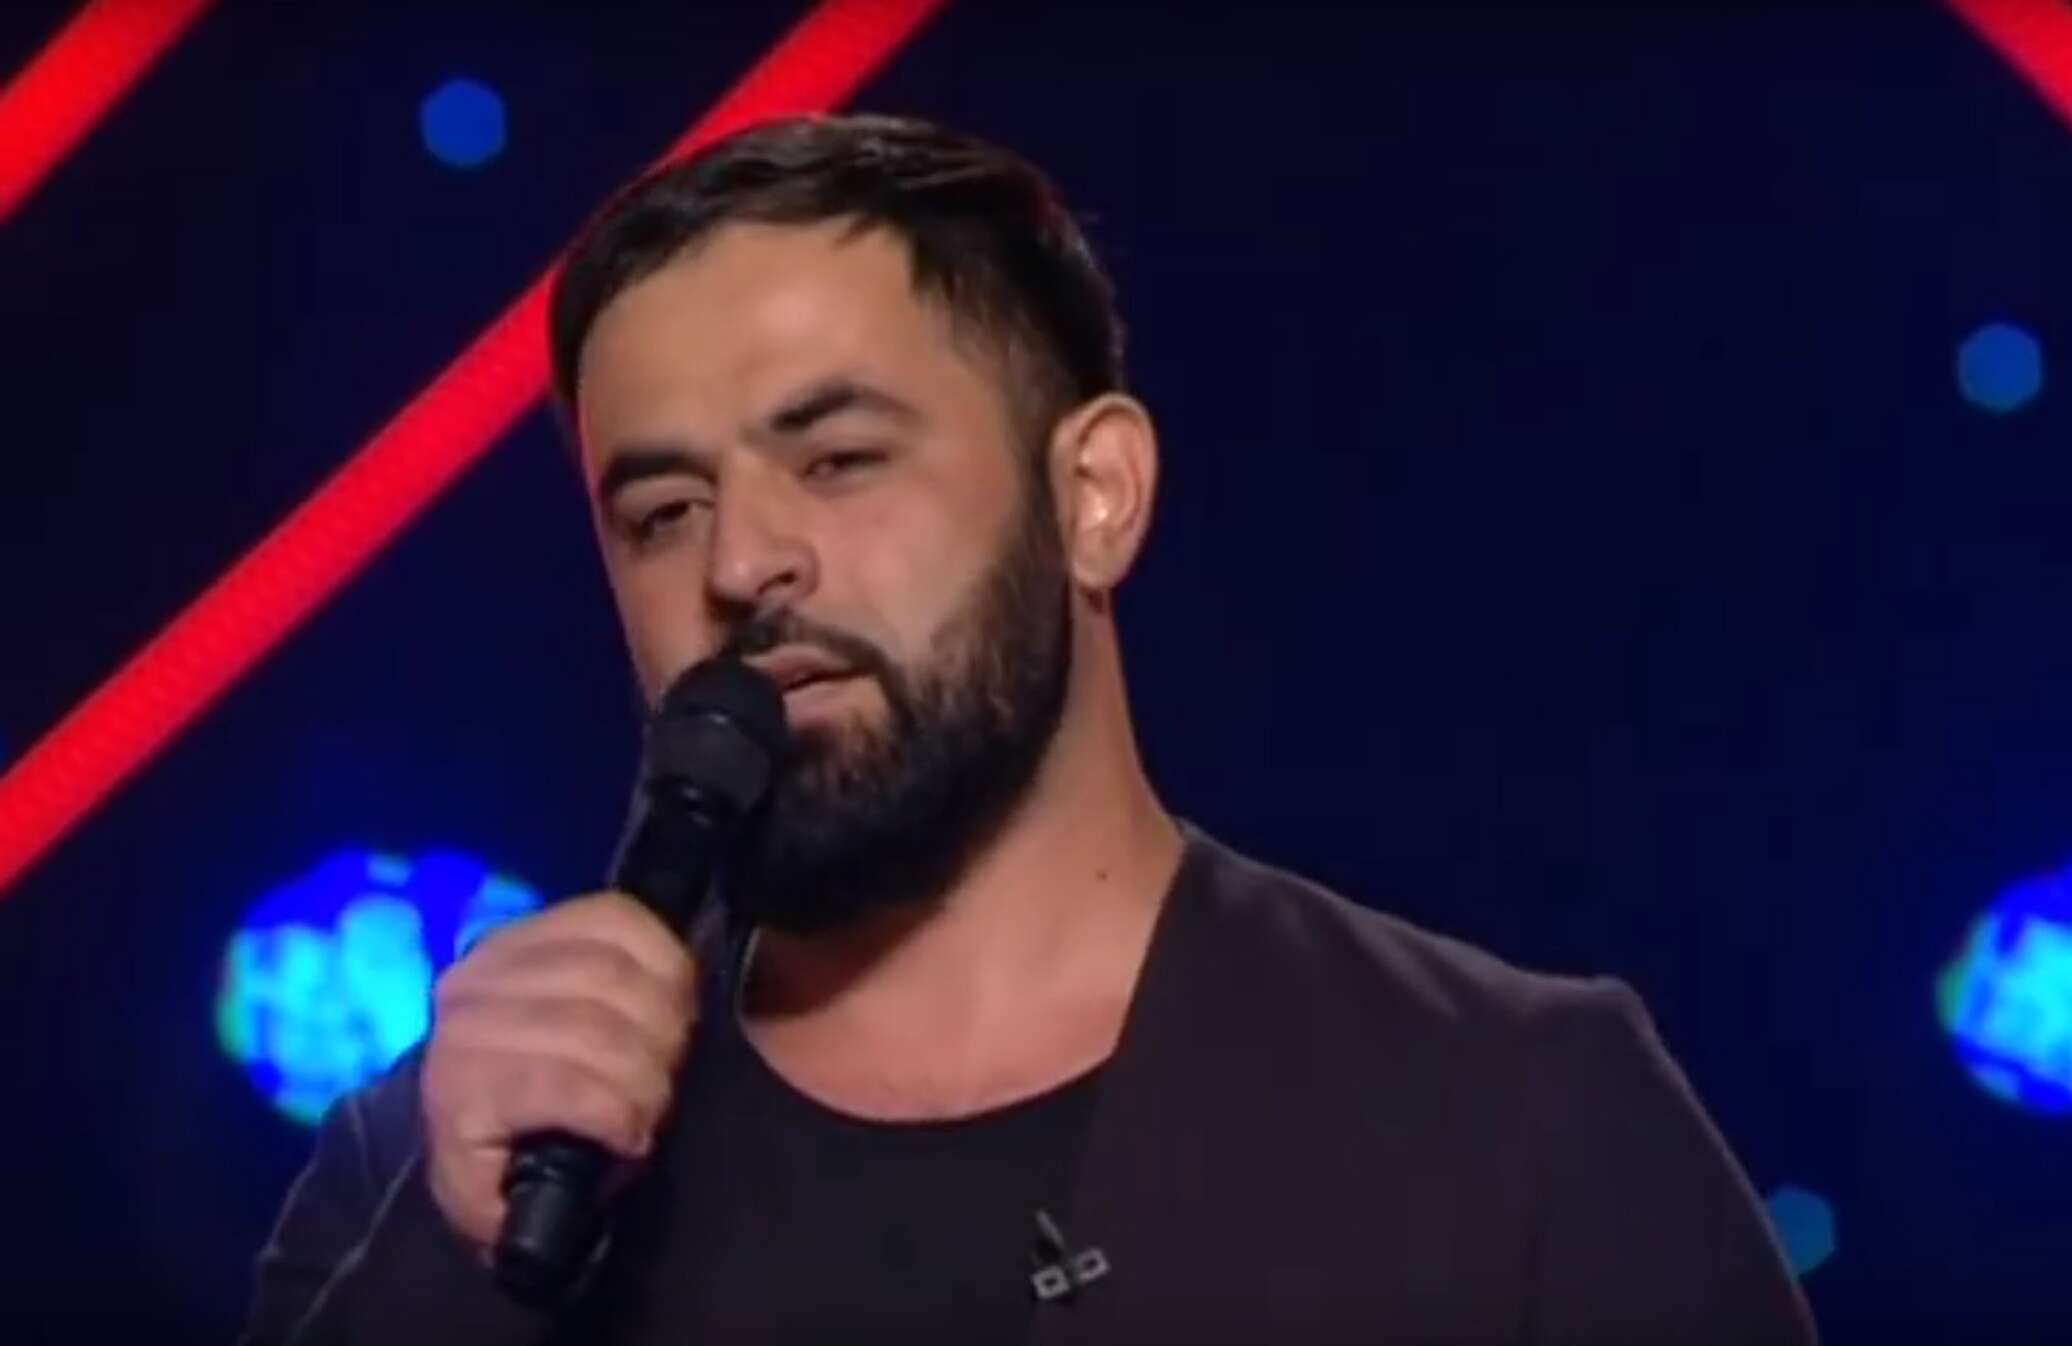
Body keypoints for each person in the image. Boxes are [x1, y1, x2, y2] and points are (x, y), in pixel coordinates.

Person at [240, 113, 1816, 1345]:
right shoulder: (441, 1161)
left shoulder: (1520, 1123)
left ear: (1095, 494)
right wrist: (454, 1270)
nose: (741, 562)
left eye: (839, 459)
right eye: (663, 510)